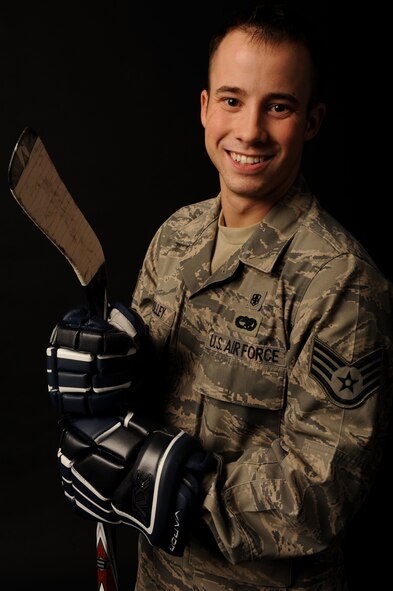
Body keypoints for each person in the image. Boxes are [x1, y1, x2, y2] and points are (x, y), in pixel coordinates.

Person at [47, 2, 393, 589]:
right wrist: (102, 372)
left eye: (278, 106)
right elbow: (146, 396)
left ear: (311, 120)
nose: (250, 130)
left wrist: (167, 485)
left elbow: (327, 490)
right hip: (156, 576)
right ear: (206, 109)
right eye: (232, 100)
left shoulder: (341, 282)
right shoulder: (176, 234)